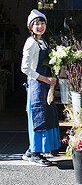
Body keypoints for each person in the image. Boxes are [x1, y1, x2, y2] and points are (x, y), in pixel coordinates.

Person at [21, 9, 60, 166]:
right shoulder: (31, 42)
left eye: (42, 23)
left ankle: (33, 150)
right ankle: (35, 154)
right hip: (36, 86)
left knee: (45, 117)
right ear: (31, 27)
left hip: (45, 86)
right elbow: (25, 69)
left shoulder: (43, 42)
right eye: (36, 23)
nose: (40, 26)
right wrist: (46, 79)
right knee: (38, 118)